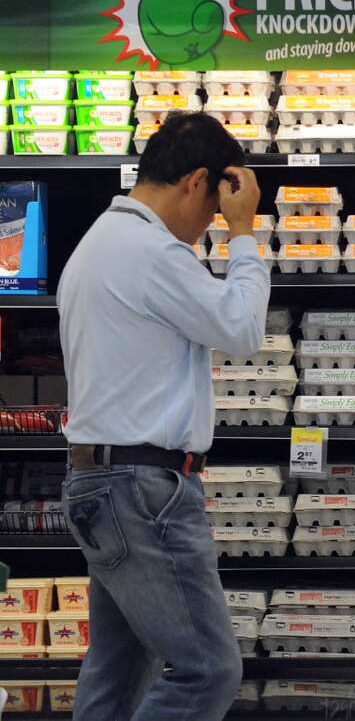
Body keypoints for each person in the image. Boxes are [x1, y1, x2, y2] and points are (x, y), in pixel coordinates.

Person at [58, 111, 269, 721]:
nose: (207, 226)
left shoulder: (100, 242)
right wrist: (245, 234)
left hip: (103, 482)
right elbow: (242, 327)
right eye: (211, 210)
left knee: (120, 669)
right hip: (142, 490)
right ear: (196, 181)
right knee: (207, 670)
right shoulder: (150, 251)